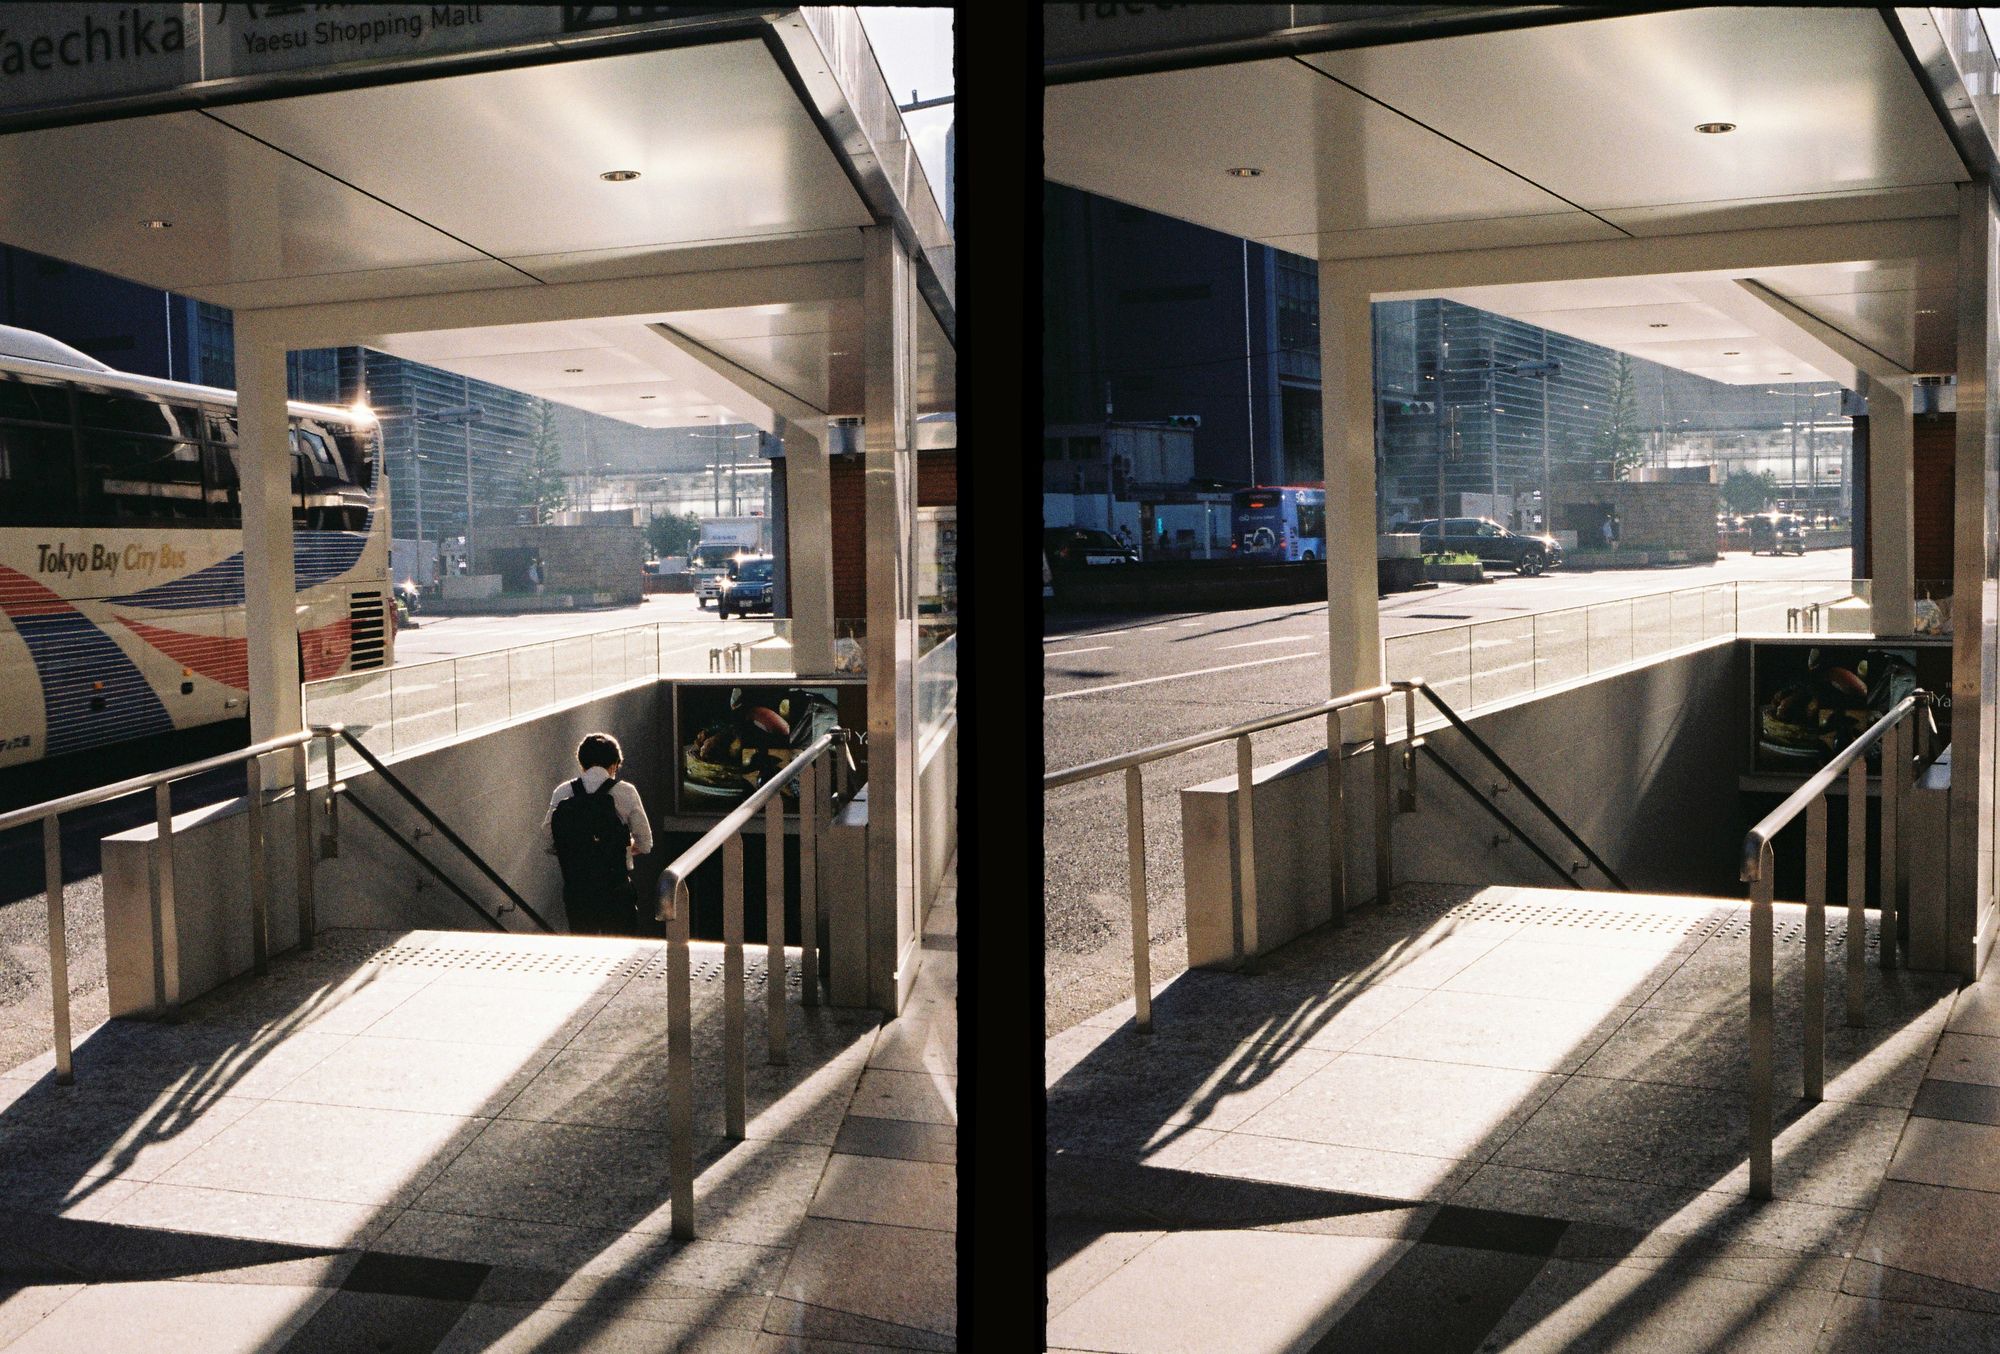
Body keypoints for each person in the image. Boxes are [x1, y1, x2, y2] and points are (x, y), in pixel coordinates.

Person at [545, 732, 653, 934]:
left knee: (585, 953)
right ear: (613, 764)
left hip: (577, 890)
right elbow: (645, 843)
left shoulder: (563, 792)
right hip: (616, 890)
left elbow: (550, 836)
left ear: (582, 763)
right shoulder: (625, 792)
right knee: (623, 953)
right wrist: (623, 847)